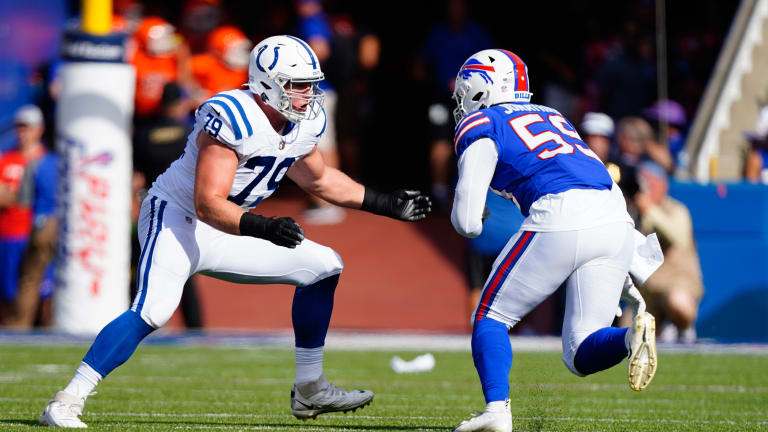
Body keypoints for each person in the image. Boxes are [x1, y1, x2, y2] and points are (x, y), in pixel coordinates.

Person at [39, 35, 431, 428]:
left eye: (311, 84)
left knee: (324, 265)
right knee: (155, 308)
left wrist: (383, 204)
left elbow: (321, 179)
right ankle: (67, 400)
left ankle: (310, 388)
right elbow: (207, 201)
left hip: (229, 223)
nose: (308, 95)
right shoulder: (232, 115)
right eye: (298, 86)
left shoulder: (304, 120)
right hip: (177, 217)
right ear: (266, 84)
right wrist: (265, 226)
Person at [449, 50, 657, 432]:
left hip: (561, 210)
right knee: (579, 352)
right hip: (614, 216)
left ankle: (497, 411)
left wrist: (474, 213)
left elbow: (465, 222)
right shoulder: (554, 115)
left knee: (490, 317)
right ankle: (632, 335)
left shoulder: (482, 121)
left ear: (481, 87)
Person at [634, 161, 702, 344]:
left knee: (678, 302)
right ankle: (663, 328)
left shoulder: (676, 210)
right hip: (649, 292)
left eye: (649, 183)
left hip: (676, 284)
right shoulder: (634, 212)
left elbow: (680, 238)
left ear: (662, 185)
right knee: (627, 334)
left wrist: (650, 210)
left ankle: (682, 326)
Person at [0, 105, 46, 323]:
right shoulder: (7, 159)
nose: (23, 132)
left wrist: (12, 193)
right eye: (19, 127)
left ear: (39, 129)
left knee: (42, 291)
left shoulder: (46, 160)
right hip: (9, 233)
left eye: (27, 127)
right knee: (9, 293)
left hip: (35, 232)